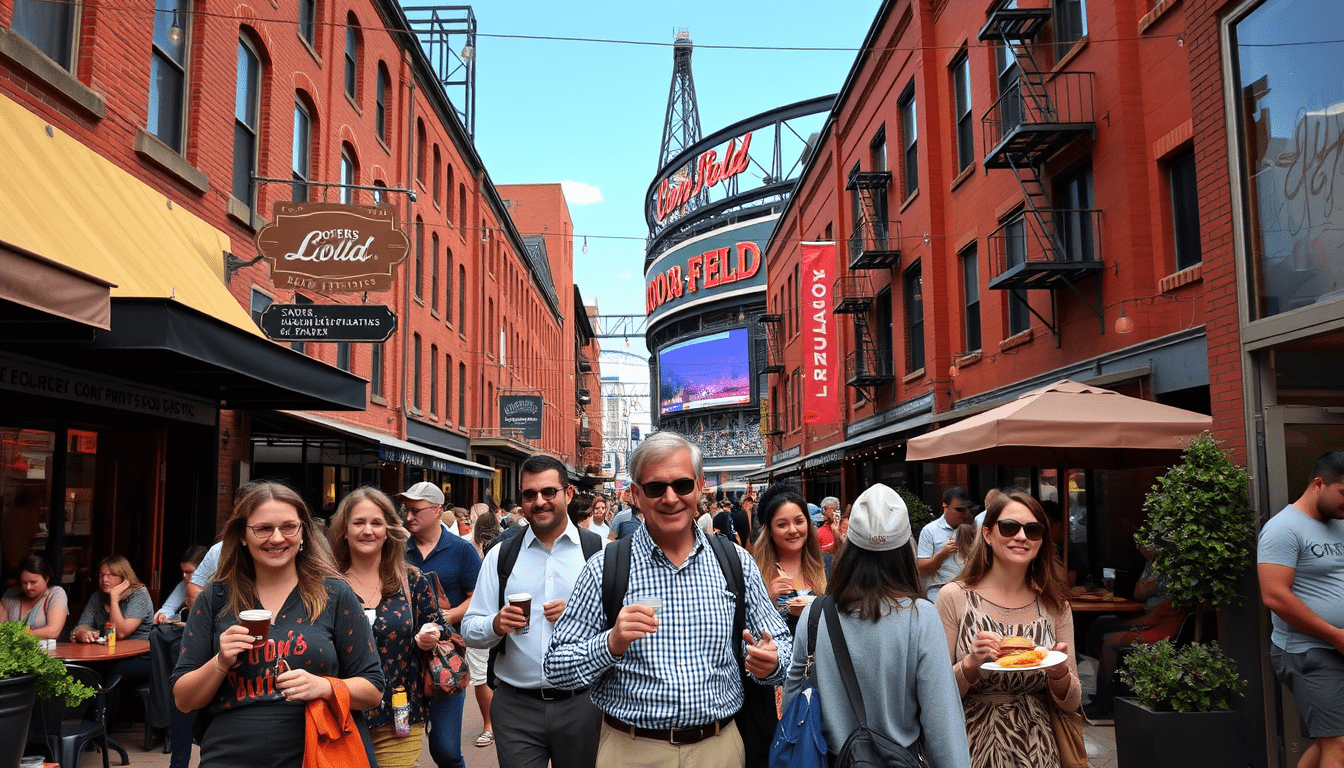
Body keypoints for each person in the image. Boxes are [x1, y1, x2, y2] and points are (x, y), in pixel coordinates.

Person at [545, 431, 791, 768]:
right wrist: (610, 643)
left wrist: (772, 661)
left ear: (700, 486)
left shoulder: (734, 561)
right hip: (631, 750)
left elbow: (782, 646)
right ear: (635, 494)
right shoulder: (606, 567)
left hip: (718, 749)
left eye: (683, 485)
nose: (670, 498)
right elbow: (556, 668)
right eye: (655, 487)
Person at [171, 481, 384, 767]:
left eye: (288, 527)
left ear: (303, 533)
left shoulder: (335, 594)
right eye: (262, 528)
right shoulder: (217, 596)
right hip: (228, 754)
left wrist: (324, 686)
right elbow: (184, 700)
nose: (276, 538)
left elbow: (373, 689)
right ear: (243, 536)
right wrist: (220, 661)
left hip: (315, 750)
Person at [783, 484, 970, 768]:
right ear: (906, 549)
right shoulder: (921, 617)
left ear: (849, 548)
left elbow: (792, 703)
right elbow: (942, 723)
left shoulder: (814, 615)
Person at [463, 454, 604, 768]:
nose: (539, 501)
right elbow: (470, 629)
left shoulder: (600, 552)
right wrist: (496, 623)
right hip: (516, 708)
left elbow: (621, 630)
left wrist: (582, 615)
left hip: (583, 703)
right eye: (529, 495)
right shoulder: (501, 555)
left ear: (568, 494)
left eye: (548, 492)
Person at [935, 491, 1081, 768]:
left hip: (1039, 749)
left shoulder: (1055, 605)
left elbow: (1071, 703)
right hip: (971, 747)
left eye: (1033, 530)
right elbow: (937, 693)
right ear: (988, 534)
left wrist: (1060, 674)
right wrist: (970, 664)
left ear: (1041, 541)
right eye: (1010, 527)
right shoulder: (954, 597)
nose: (1021, 537)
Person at [329, 487, 445, 768]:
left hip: (400, 714)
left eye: (376, 523)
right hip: (339, 716)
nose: (367, 531)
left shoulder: (412, 580)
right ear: (344, 530)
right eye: (358, 522)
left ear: (389, 530)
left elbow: (440, 626)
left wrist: (432, 635)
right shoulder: (325, 586)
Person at [1259, 450, 1344, 768]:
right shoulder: (1283, 528)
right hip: (1309, 650)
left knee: (1330, 743)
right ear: (1319, 484)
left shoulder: (1339, 524)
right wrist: (1335, 634)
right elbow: (1275, 596)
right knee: (1339, 745)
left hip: (1338, 644)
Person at [400, 480, 481, 768]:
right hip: (402, 659)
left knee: (445, 749)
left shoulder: (462, 550)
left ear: (437, 511)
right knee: (395, 744)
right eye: (406, 510)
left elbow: (478, 598)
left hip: (444, 660)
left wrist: (446, 618)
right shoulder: (397, 550)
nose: (409, 517)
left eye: (415, 510)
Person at [1083, 543, 1185, 720]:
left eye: (1146, 545)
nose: (1142, 550)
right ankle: (1092, 688)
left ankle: (1106, 701)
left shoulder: (1170, 568)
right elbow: (1139, 594)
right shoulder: (1151, 564)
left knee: (1110, 642)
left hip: (1159, 626)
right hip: (1148, 616)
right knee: (1100, 624)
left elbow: (1152, 613)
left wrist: (1129, 623)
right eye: (1139, 547)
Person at [752, 483, 829, 634]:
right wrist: (769, 600)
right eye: (782, 525)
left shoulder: (828, 565)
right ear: (770, 531)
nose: (793, 530)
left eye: (799, 521)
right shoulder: (754, 572)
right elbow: (748, 631)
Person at [467, 506, 501, 748]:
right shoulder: (504, 548)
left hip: (485, 619)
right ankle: (493, 723)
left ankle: (489, 725)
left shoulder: (468, 547)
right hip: (496, 619)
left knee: (481, 675)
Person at [918, 486, 975, 602]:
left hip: (969, 589)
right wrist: (943, 553)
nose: (964, 513)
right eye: (959, 509)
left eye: (967, 509)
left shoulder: (974, 527)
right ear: (945, 507)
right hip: (939, 590)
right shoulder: (930, 530)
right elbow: (922, 570)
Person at [2, 554, 68, 639]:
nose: (28, 587)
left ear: (46, 579)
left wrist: (19, 633)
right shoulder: (11, 595)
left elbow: (53, 631)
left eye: (33, 582)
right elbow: (1, 630)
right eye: (24, 583)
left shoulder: (56, 594)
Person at [155, 545, 209, 624]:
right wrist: (162, 615)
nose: (184, 575)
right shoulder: (183, 585)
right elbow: (169, 607)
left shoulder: (215, 586)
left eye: (189, 572)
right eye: (183, 571)